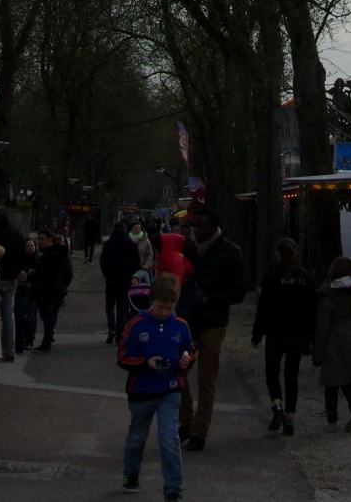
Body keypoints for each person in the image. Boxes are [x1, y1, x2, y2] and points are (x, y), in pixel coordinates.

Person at [117, 271, 195, 500]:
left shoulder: (181, 326)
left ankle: (173, 488)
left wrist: (186, 361)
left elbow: (189, 351)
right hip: (141, 392)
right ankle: (131, 474)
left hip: (170, 390)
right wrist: (144, 363)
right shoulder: (137, 324)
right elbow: (122, 357)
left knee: (169, 438)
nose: (164, 312)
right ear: (152, 301)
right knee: (137, 438)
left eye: (169, 308)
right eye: (160, 307)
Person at [177, 203, 247, 452]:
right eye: (194, 226)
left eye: (201, 227)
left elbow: (239, 291)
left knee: (206, 379)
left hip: (214, 322)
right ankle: (186, 421)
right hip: (187, 321)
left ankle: (199, 431)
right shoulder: (190, 250)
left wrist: (210, 297)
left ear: (215, 227)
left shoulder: (229, 252)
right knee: (179, 373)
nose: (196, 231)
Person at [249, 237, 313, 436]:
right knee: (291, 375)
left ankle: (277, 405)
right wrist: (311, 337)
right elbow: (313, 309)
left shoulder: (271, 278)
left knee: (272, 371)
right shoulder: (306, 278)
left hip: (276, 332)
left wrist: (257, 334)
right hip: (297, 333)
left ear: (277, 255)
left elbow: (264, 308)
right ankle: (290, 418)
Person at [311, 255, 351, 434]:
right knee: (348, 379)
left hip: (335, 340)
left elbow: (323, 325)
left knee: (332, 382)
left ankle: (332, 421)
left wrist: (317, 352)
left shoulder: (328, 295)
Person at [0, 210, 29, 360]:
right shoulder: (17, 234)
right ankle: (10, 350)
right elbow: (23, 255)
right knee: (9, 314)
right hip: (12, 278)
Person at [28, 229, 75, 351]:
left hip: (48, 289)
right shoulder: (55, 253)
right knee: (49, 317)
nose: (40, 242)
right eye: (38, 239)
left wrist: (35, 273)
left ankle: (46, 342)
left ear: (50, 239)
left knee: (47, 317)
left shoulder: (51, 254)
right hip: (53, 289)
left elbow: (47, 272)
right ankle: (47, 340)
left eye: (42, 239)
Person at [100, 220, 142, 343]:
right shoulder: (131, 244)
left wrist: (107, 273)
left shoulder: (108, 244)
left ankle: (111, 328)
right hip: (124, 279)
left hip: (111, 278)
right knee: (121, 308)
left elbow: (103, 262)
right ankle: (119, 334)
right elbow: (136, 263)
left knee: (109, 305)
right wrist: (129, 274)